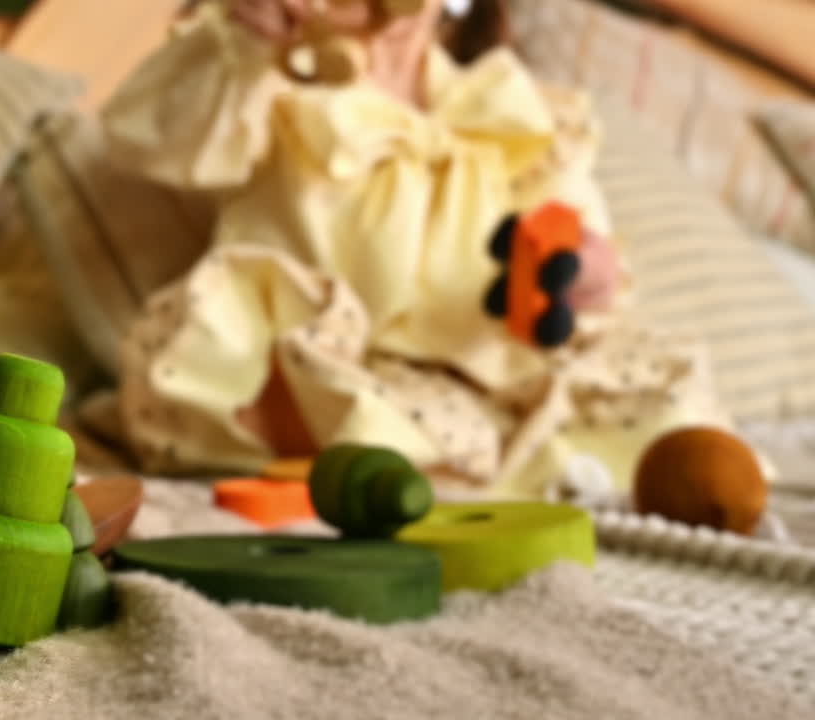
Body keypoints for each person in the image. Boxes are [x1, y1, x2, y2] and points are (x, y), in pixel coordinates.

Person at [98, 0, 734, 501]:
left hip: (500, 374)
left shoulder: (510, 107)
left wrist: (588, 276)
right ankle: (389, 470)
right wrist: (247, 41)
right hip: (342, 357)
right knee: (268, 378)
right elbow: (145, 137)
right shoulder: (275, 84)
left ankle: (611, 474)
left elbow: (580, 235)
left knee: (658, 389)